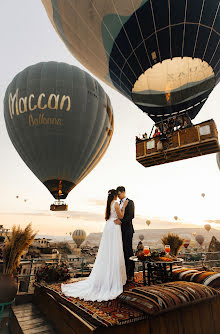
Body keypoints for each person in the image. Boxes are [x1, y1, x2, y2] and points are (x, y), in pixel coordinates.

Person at [61, 189, 128, 301]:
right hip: (114, 227)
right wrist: (124, 206)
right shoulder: (116, 203)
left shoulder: (108, 205)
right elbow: (121, 216)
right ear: (116, 195)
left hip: (108, 226)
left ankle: (106, 276)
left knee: (108, 251)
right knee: (114, 250)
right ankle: (112, 279)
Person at [115, 186, 135, 282]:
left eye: (119, 194)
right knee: (122, 252)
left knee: (128, 251)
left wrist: (121, 222)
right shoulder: (118, 203)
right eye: (117, 195)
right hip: (119, 231)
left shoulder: (130, 202)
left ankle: (131, 274)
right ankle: (124, 273)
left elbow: (131, 216)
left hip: (127, 230)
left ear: (123, 192)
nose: (118, 197)